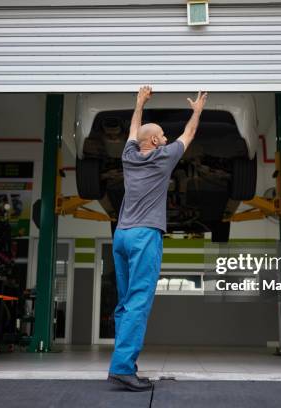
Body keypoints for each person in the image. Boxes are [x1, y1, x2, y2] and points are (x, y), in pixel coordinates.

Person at [107, 86, 208, 391]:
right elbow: (188, 136)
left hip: (121, 235)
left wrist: (138, 104)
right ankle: (123, 368)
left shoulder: (128, 156)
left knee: (125, 303)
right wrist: (197, 111)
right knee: (138, 301)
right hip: (144, 236)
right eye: (163, 135)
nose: (166, 138)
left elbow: (133, 131)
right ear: (154, 142)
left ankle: (123, 362)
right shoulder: (163, 158)